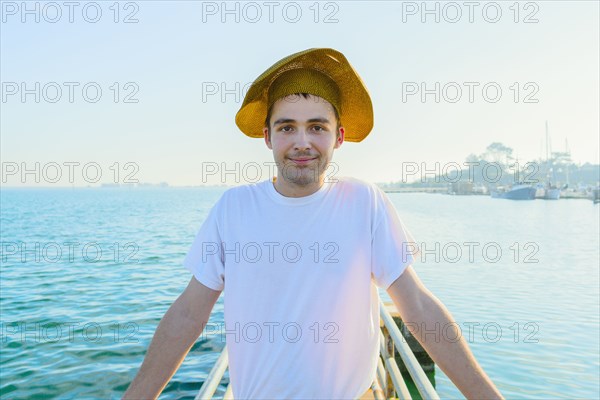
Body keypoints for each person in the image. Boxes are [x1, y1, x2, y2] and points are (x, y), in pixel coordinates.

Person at [123, 48, 504, 400]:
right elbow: (189, 313)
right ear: (267, 135)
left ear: (338, 137)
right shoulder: (233, 207)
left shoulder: (364, 202)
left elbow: (417, 305)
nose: (302, 142)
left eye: (317, 127)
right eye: (287, 127)